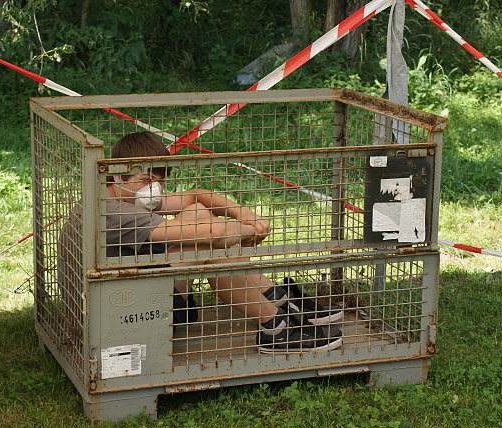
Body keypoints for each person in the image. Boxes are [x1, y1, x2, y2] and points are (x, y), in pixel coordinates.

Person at [104, 131, 343, 353]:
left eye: (160, 182)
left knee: (197, 211)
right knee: (209, 246)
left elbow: (196, 196)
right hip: (133, 317)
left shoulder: (125, 193)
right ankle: (274, 324)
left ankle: (274, 297)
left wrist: (243, 214)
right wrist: (250, 231)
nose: (155, 189)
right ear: (117, 174)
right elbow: (212, 235)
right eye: (146, 180)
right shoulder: (116, 212)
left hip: (143, 288)